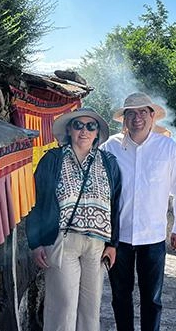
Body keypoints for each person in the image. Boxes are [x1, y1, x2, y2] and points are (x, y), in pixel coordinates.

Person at [100, 92, 176, 331]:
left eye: (143, 112)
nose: (137, 117)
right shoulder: (110, 148)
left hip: (153, 237)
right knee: (120, 297)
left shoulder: (167, 147)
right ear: (124, 119)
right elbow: (95, 184)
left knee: (152, 299)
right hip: (117, 238)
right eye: (131, 112)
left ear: (152, 116)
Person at [26, 107, 122, 331]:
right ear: (69, 129)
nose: (84, 131)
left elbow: (115, 204)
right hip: (63, 241)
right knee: (64, 305)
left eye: (91, 126)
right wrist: (35, 242)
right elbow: (36, 201)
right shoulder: (53, 160)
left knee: (91, 307)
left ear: (97, 133)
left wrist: (113, 244)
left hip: (97, 246)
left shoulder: (109, 163)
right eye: (78, 125)